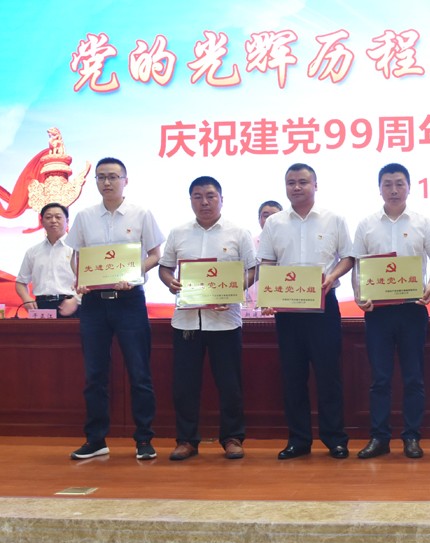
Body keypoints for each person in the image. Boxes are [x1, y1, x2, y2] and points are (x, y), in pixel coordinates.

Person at [65, 157, 165, 460]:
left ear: (125, 180)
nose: (106, 182)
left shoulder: (141, 213)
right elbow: (76, 257)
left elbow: (155, 254)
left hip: (129, 301)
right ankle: (96, 439)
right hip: (94, 304)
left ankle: (144, 439)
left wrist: (134, 274)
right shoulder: (84, 216)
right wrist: (80, 279)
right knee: (95, 374)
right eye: (101, 177)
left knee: (139, 372)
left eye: (112, 176)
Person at [257, 163, 353, 460]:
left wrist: (332, 276)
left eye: (302, 182)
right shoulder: (274, 223)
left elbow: (348, 257)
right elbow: (267, 263)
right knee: (293, 376)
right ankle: (298, 440)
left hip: (324, 306)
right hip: (287, 311)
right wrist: (268, 296)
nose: (296, 187)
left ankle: (335, 439)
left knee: (328, 375)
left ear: (315, 185)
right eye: (291, 183)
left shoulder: (334, 219)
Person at [158, 176, 256, 461]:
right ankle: (186, 440)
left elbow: (253, 270)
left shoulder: (239, 233)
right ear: (190, 200)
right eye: (198, 196)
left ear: (221, 199)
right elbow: (165, 268)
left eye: (210, 196)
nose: (204, 202)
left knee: (230, 384)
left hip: (225, 321)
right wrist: (170, 282)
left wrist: (235, 289)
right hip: (187, 322)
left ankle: (233, 438)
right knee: (184, 385)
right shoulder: (178, 233)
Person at [352, 163, 430, 459]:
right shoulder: (366, 224)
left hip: (412, 310)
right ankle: (379, 438)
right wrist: (359, 296)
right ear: (379, 188)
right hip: (378, 312)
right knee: (380, 378)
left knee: (413, 377)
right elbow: (358, 267)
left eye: (399, 184)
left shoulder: (422, 222)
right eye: (388, 184)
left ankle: (412, 437)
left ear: (409, 187)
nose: (394, 190)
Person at [15, 202, 79, 318]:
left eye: (58, 217)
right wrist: (26, 298)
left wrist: (76, 300)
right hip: (41, 305)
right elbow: (20, 282)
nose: (53, 220)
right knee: (40, 331)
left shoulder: (77, 249)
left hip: (70, 305)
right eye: (48, 217)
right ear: (42, 222)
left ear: (67, 221)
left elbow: (91, 282)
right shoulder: (33, 251)